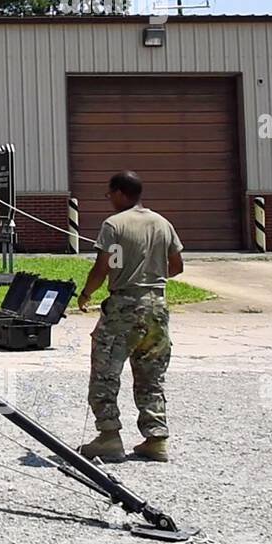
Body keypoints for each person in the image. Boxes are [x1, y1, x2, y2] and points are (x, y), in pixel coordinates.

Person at [77, 170, 183, 463]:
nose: (109, 199)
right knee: (151, 375)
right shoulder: (162, 223)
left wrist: (86, 293)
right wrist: (150, 273)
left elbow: (104, 266)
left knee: (106, 371)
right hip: (157, 309)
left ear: (121, 193)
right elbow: (176, 266)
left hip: (124, 308)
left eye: (110, 194)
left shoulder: (114, 225)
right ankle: (156, 438)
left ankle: (109, 436)